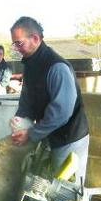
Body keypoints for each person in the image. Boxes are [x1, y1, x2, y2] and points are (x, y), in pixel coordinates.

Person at [9, 17, 89, 184]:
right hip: (50, 137)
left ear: (35, 39)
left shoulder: (57, 67)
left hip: (69, 139)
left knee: (66, 191)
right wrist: (20, 118)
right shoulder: (31, 66)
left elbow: (61, 113)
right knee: (48, 186)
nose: (16, 48)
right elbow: (27, 99)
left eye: (19, 43)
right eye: (14, 44)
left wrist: (31, 133)